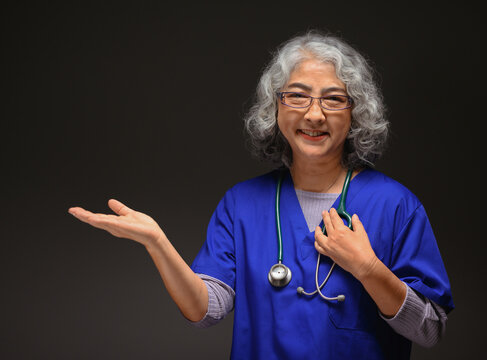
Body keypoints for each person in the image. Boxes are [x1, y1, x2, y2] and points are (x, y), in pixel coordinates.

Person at [69, 31, 454, 359]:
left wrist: (369, 269)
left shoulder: (395, 204)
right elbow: (204, 310)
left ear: (355, 113)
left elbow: (429, 331)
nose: (315, 114)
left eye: (334, 99)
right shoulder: (241, 204)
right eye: (297, 96)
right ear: (275, 109)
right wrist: (157, 242)